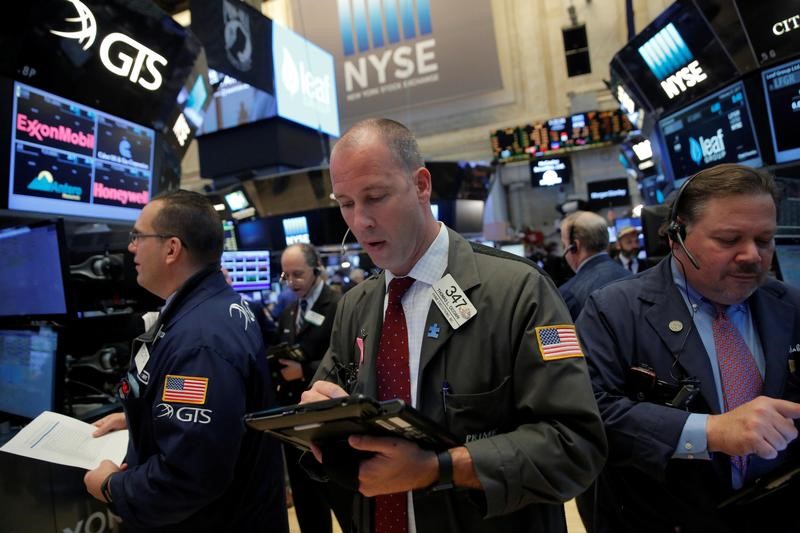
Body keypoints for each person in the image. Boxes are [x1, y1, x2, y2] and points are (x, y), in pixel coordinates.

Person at [301, 118, 607, 532]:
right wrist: (320, 423)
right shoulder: (356, 307)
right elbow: (330, 425)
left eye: (375, 197)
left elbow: (575, 446)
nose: (360, 221)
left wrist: (439, 468)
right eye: (346, 203)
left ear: (422, 185)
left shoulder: (519, 292)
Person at [576, 163, 800, 532]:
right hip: (662, 519)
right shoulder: (613, 310)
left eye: (764, 240)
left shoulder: (790, 305)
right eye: (729, 240)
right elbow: (589, 413)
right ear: (676, 235)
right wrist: (707, 431)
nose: (752, 256)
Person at [83, 190, 288, 533]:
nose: (131, 247)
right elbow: (216, 416)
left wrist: (111, 487)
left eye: (138, 236)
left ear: (171, 248)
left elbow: (188, 476)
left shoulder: (200, 340)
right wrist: (144, 415)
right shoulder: (216, 307)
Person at [274, 243, 352, 533]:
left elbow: (350, 362)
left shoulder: (341, 305)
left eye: (297, 274)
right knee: (306, 499)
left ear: (316, 269)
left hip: (328, 420)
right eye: (286, 276)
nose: (291, 282)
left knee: (339, 496)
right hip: (294, 419)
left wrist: (304, 370)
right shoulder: (288, 310)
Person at [558, 211, 632, 320]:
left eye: (564, 245)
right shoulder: (632, 276)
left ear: (575, 247)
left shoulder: (568, 294)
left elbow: (553, 336)